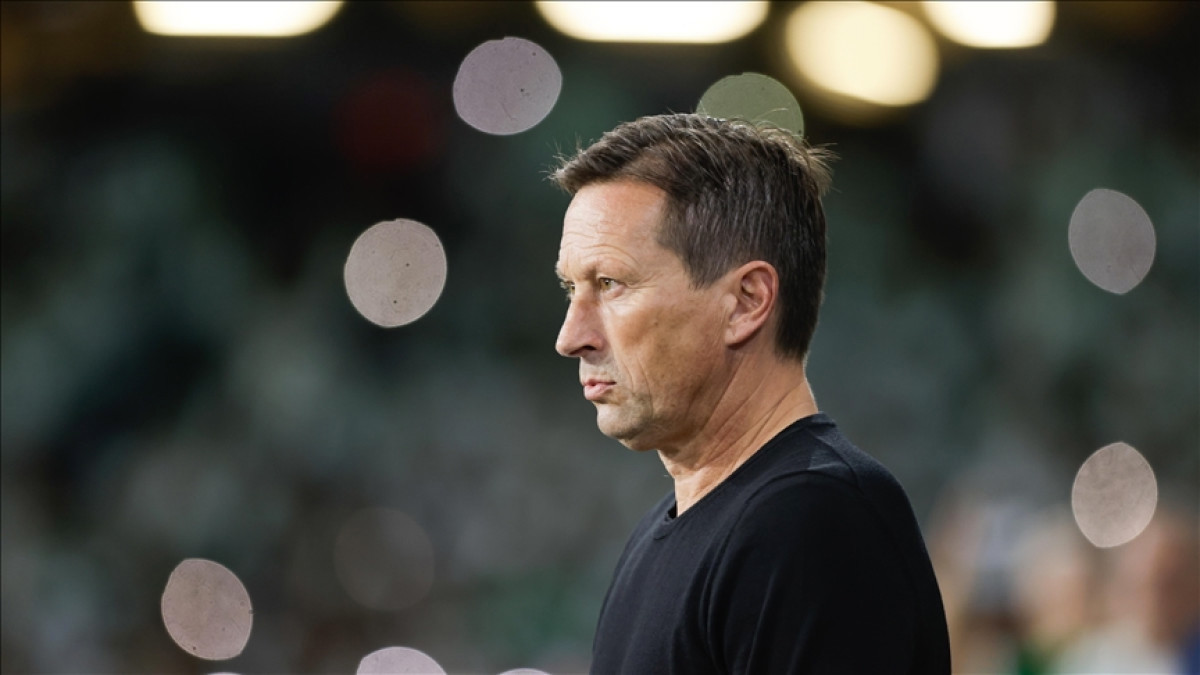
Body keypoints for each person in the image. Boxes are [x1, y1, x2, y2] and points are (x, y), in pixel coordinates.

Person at [551, 113, 951, 674]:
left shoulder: (812, 523)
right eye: (571, 288)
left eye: (610, 284)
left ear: (746, 302)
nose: (571, 337)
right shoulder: (673, 531)